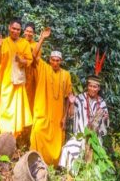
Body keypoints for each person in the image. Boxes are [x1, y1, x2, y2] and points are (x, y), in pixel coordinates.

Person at [30, 28, 73, 166]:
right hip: (42, 112)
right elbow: (34, 55)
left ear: (61, 61)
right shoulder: (43, 67)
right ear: (49, 60)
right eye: (53, 60)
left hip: (57, 116)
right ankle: (35, 161)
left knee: (56, 143)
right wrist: (42, 38)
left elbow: (68, 97)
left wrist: (65, 116)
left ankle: (52, 166)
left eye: (57, 61)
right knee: (38, 133)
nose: (55, 63)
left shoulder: (66, 75)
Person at [0, 18, 33, 137]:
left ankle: (14, 134)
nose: (15, 31)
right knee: (5, 106)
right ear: (9, 28)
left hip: (17, 81)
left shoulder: (24, 43)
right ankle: (4, 133)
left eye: (18, 29)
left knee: (16, 108)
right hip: (5, 81)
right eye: (13, 28)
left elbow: (29, 61)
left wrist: (22, 60)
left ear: (21, 31)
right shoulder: (3, 42)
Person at [58, 75, 109, 171]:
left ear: (98, 88)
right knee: (67, 149)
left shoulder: (102, 102)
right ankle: (70, 176)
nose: (92, 89)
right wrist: (72, 103)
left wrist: (105, 119)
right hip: (80, 136)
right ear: (87, 86)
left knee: (95, 158)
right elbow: (71, 115)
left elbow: (105, 124)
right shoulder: (80, 98)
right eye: (90, 86)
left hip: (95, 139)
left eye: (95, 87)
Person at [23, 22, 41, 111]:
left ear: (34, 34)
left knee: (29, 97)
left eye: (31, 32)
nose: (28, 33)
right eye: (27, 31)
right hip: (20, 73)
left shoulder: (36, 45)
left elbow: (37, 61)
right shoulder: (19, 42)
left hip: (31, 74)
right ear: (24, 31)